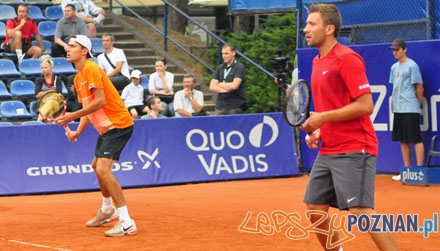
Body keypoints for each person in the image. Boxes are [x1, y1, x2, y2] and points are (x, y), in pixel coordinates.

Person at [300, 4, 398, 251]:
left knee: (361, 212)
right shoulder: (316, 61)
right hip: (329, 149)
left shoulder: (347, 58)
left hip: (356, 148)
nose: (305, 29)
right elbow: (332, 108)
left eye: (312, 24)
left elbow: (366, 106)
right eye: (306, 24)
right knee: (315, 209)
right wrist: (320, 131)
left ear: (329, 29)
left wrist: (322, 119)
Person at [54, 35, 137, 237]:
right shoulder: (77, 77)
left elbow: (99, 101)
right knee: (96, 167)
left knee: (103, 169)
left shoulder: (91, 68)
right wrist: (76, 132)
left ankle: (127, 222)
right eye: (68, 46)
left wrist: (72, 115)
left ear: (84, 51)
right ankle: (108, 209)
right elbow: (88, 110)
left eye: (72, 46)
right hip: (106, 128)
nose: (68, 49)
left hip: (118, 124)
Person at [389, 38, 424, 181]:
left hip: (410, 107)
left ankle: (420, 172)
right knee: (403, 140)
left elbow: (419, 87)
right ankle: (407, 171)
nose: (395, 52)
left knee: (415, 139)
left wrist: (418, 104)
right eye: (393, 50)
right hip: (398, 109)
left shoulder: (412, 66)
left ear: (405, 49)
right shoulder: (394, 68)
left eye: (398, 50)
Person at [209, 43, 247, 115]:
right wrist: (226, 89)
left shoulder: (239, 67)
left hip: (234, 105)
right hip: (221, 105)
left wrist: (220, 84)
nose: (224, 56)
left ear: (233, 53)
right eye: (222, 54)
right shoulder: (220, 68)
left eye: (226, 54)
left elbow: (234, 86)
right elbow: (212, 86)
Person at [34, 55, 64, 122]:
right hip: (42, 103)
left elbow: (59, 93)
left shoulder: (57, 79)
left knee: (52, 102)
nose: (44, 70)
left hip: (56, 102)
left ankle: (38, 121)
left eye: (46, 68)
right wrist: (51, 91)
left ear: (51, 68)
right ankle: (50, 122)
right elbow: (37, 95)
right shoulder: (39, 80)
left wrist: (45, 93)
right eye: (42, 68)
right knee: (50, 105)